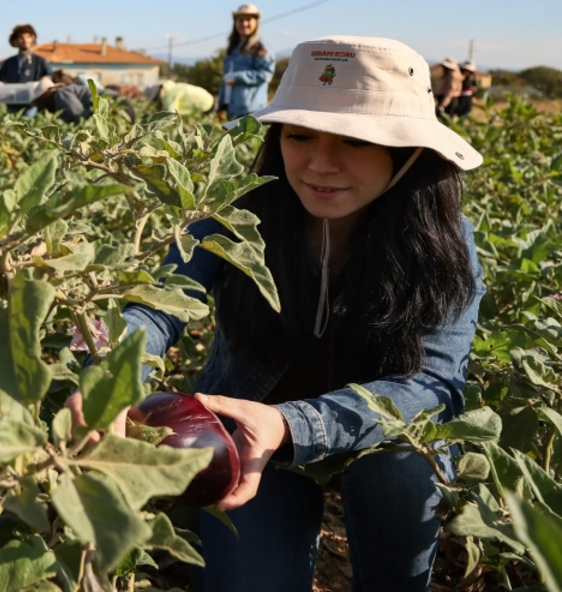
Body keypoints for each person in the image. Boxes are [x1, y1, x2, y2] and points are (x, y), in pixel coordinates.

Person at [71, 36, 484, 591]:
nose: (320, 163)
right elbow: (156, 306)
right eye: (299, 134)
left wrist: (294, 425)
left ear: (409, 154)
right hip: (247, 429)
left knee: (403, 469)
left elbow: (435, 382)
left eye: (355, 141)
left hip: (378, 441)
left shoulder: (443, 242)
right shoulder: (232, 214)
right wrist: (113, 376)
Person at [217, 4, 276, 120]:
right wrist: (220, 106)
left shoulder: (261, 48)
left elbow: (266, 74)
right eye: (240, 20)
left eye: (248, 20)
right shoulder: (233, 47)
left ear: (256, 22)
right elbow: (226, 78)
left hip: (250, 110)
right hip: (232, 109)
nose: (244, 24)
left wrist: (236, 77)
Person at [0, 23, 54, 114]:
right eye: (21, 38)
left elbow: (49, 74)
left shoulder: (40, 61)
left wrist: (46, 77)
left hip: (32, 105)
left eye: (28, 36)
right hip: (12, 104)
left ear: (32, 38)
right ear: (15, 41)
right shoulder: (9, 63)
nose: (25, 40)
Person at [148, 78, 216, 116]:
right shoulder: (173, 87)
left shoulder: (170, 94)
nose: (158, 100)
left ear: (160, 90)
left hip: (206, 105)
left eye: (156, 98)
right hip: (208, 98)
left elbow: (172, 114)